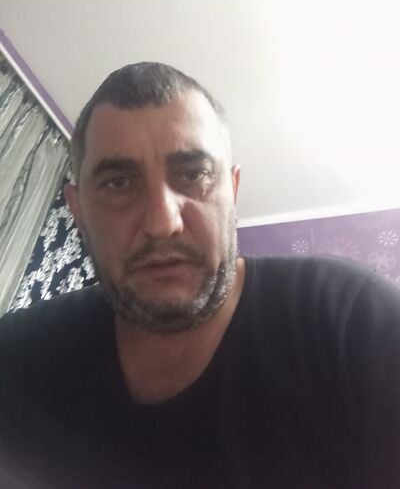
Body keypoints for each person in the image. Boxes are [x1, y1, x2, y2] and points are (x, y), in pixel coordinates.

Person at [0, 62, 400, 489]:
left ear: (233, 190)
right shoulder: (17, 358)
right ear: (78, 210)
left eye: (192, 175)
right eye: (118, 183)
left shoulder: (351, 323)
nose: (162, 223)